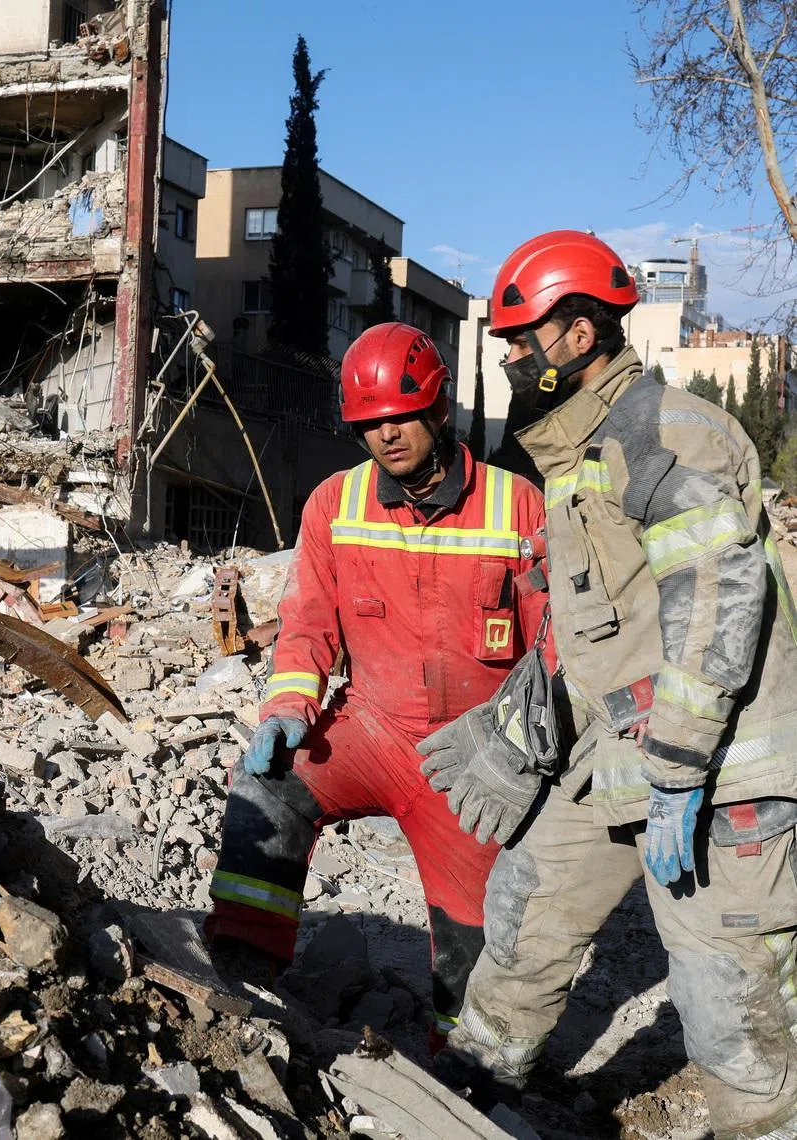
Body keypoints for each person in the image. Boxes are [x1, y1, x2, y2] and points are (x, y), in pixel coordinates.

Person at [431, 230, 797, 1140]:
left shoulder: (663, 430)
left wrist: (678, 763)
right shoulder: (580, 455)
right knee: (527, 910)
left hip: (720, 775)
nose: (512, 357)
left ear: (582, 332)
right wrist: (528, 720)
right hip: (619, 759)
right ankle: (467, 1089)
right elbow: (610, 619)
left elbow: (718, 593)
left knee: (729, 998)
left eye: (524, 339)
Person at [204, 322, 548, 1048]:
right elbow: (306, 628)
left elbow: (551, 649)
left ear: (439, 410)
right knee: (267, 786)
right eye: (369, 424)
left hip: (470, 762)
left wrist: (525, 758)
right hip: (372, 727)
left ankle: (461, 1065)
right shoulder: (335, 505)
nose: (386, 436)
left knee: (475, 958)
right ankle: (243, 974)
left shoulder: (517, 507)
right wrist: (287, 707)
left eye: (400, 416)